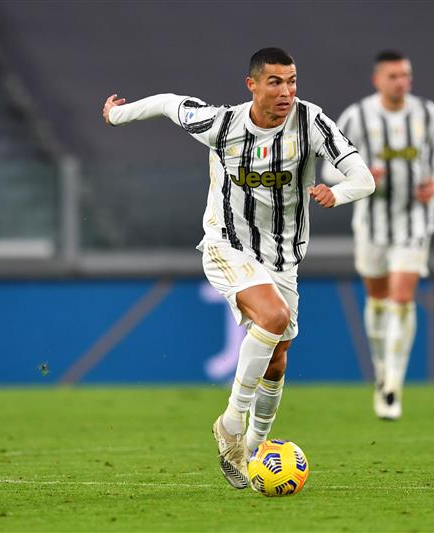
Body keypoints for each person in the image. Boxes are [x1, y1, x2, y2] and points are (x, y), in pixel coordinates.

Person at [102, 47, 374, 489]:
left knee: (278, 357)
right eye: (275, 82)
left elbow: (364, 178)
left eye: (292, 81)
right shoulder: (223, 124)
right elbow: (171, 103)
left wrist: (338, 193)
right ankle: (229, 426)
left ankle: (253, 446)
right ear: (252, 85)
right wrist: (118, 116)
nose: (286, 91)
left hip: (283, 256)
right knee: (273, 318)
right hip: (226, 244)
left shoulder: (312, 121)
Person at [322, 50, 434, 420]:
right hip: (371, 223)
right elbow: (328, 166)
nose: (402, 82)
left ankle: (394, 383)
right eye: (394, 76)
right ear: (377, 79)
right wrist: (358, 177)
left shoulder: (427, 113)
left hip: (415, 220)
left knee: (401, 297)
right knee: (378, 300)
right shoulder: (357, 116)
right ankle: (383, 371)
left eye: (406, 75)